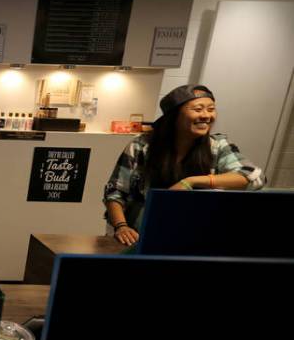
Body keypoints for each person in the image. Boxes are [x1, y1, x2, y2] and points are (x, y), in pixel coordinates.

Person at [103, 84, 264, 246]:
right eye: (198, 109)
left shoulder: (218, 146)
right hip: (139, 236)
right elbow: (115, 192)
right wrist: (121, 227)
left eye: (211, 109)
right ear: (174, 116)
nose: (206, 115)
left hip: (195, 237)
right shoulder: (141, 146)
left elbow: (253, 177)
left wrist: (191, 181)